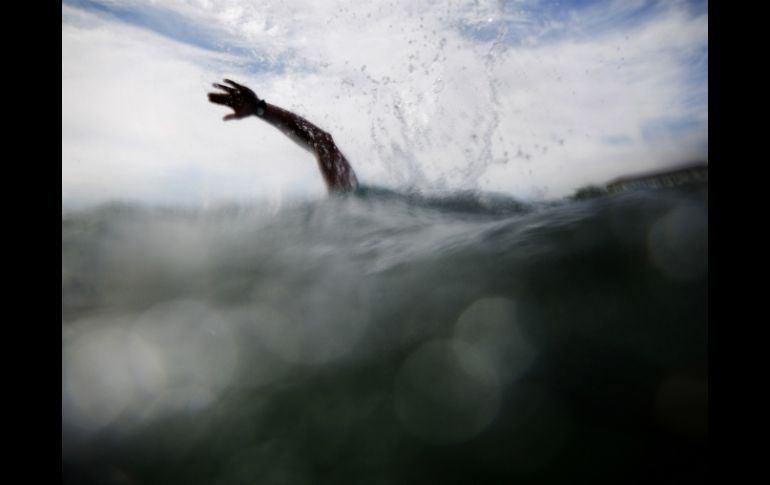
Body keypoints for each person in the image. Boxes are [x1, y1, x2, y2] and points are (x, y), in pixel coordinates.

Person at [208, 79, 358, 193]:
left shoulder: (350, 211)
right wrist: (260, 109)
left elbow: (322, 142)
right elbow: (322, 142)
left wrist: (259, 109)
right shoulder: (352, 211)